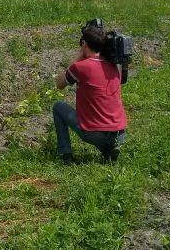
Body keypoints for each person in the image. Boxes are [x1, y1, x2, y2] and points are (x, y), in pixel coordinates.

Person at [52, 23, 127, 163]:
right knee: (103, 124)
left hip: (94, 134)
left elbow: (59, 84)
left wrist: (78, 57)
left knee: (58, 107)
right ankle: (110, 148)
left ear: (84, 44)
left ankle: (65, 155)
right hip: (120, 133)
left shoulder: (80, 67)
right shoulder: (115, 65)